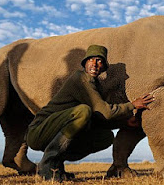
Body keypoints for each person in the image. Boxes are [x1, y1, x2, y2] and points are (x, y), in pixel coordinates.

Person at [26, 44, 154, 181]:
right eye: (91, 59)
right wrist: (132, 105)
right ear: (85, 63)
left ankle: (56, 167)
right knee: (83, 112)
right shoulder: (80, 78)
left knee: (105, 137)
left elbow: (99, 118)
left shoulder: (94, 85)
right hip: (38, 132)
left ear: (103, 67)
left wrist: (125, 121)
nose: (95, 64)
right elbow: (105, 112)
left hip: (53, 132)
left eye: (99, 61)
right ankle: (46, 167)